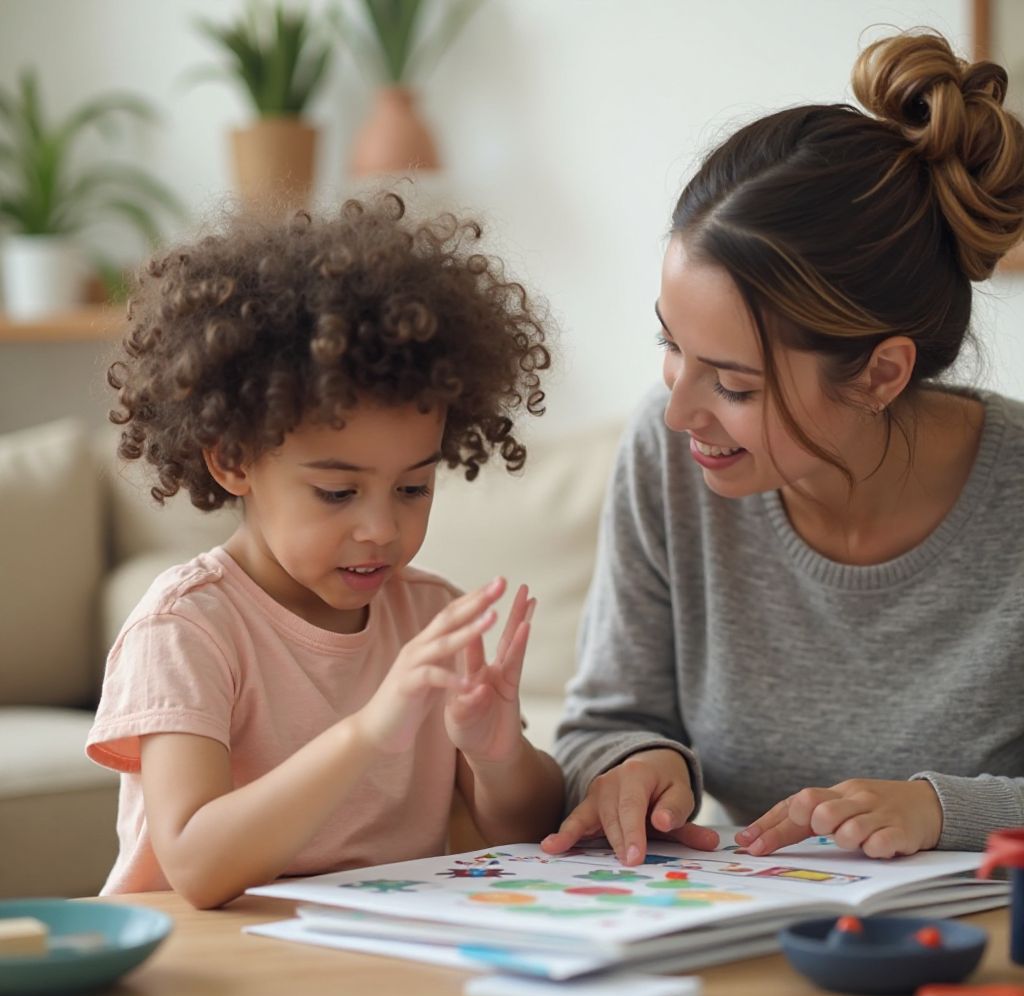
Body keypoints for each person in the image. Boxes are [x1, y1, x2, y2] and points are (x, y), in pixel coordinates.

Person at [542, 29, 1024, 867]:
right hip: (746, 939)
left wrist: (942, 809)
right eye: (672, 348)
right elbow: (603, 722)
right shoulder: (669, 467)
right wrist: (636, 763)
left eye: (734, 385)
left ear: (881, 374)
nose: (678, 412)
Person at [87, 193, 563, 908]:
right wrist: (370, 732)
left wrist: (498, 755)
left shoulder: (432, 618)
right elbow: (195, 865)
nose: (381, 529)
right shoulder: (186, 629)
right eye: (338, 494)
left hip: (369, 957)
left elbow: (528, 830)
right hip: (208, 965)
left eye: (412, 488)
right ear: (234, 460)